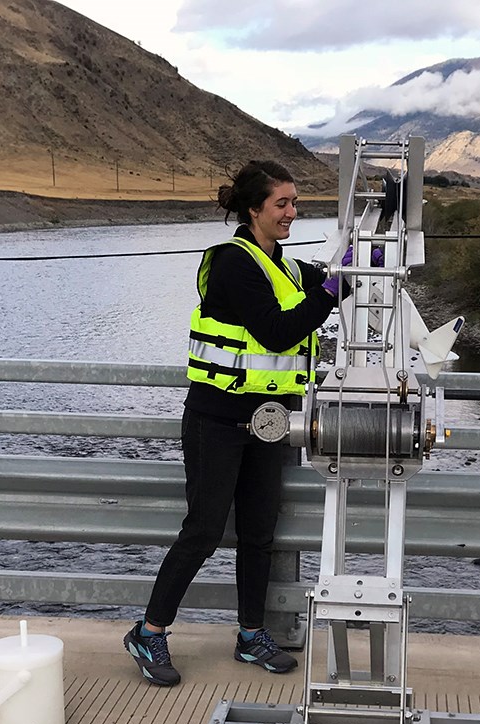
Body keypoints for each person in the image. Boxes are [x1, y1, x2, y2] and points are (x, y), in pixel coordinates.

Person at [123, 159, 346, 686]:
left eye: (295, 203)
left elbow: (326, 286)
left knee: (258, 533)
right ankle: (149, 633)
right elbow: (276, 332)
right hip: (218, 419)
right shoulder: (233, 264)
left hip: (271, 421)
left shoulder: (287, 267)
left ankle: (251, 635)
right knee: (202, 531)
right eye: (282, 204)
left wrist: (359, 268)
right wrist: (333, 291)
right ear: (254, 210)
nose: (292, 212)